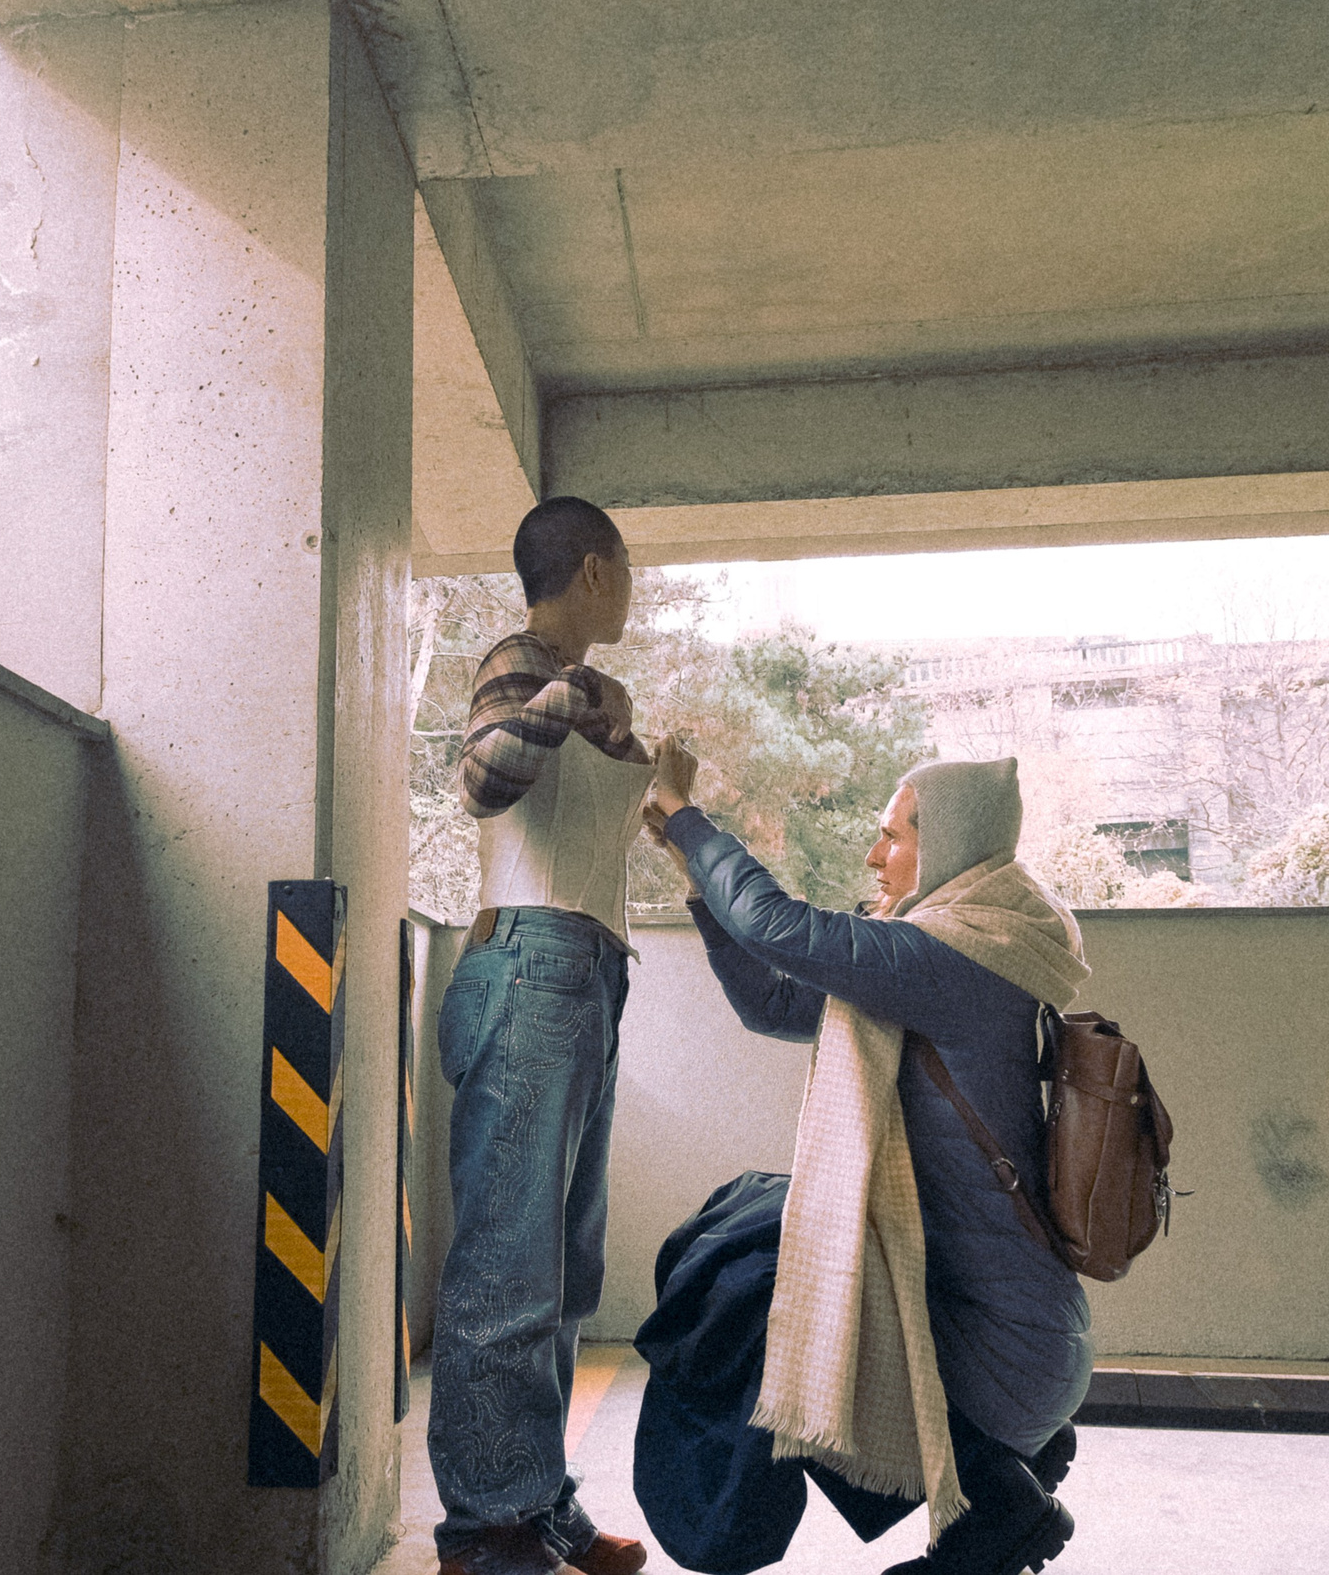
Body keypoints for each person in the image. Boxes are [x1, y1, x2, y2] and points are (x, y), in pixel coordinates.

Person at [637, 751, 1091, 1575]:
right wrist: (698, 879)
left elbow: (776, 926)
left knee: (752, 1274)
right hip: (1019, 1345)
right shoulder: (957, 953)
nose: (873, 858)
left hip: (1000, 1359)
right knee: (754, 1213)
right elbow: (773, 1000)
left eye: (891, 837)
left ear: (947, 846)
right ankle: (997, 1490)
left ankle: (997, 1500)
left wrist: (687, 820)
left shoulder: (953, 961)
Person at [429, 496, 689, 1575]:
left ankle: (534, 1496)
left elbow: (585, 821)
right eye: (624, 568)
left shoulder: (580, 690)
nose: (631, 586)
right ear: (591, 568)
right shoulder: (519, 659)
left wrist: (661, 782)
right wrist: (573, 689)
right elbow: (483, 779)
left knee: (564, 1268)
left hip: (583, 975)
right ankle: (486, 1529)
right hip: (530, 967)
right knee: (507, 1265)